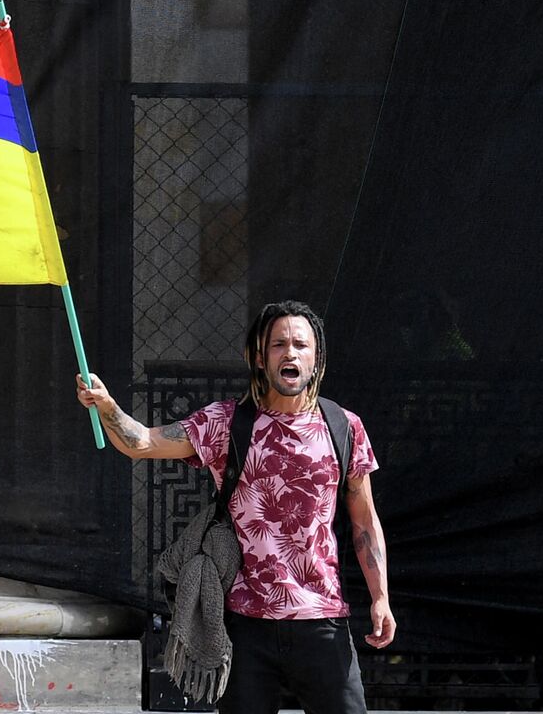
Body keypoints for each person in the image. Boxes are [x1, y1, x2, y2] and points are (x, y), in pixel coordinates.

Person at [75, 300, 394, 714]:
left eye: (301, 344)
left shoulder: (344, 426)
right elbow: (143, 443)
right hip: (246, 627)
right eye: (278, 344)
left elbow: (365, 521)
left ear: (317, 359)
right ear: (260, 359)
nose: (290, 352)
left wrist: (381, 598)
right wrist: (107, 406)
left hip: (322, 620)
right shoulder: (227, 422)